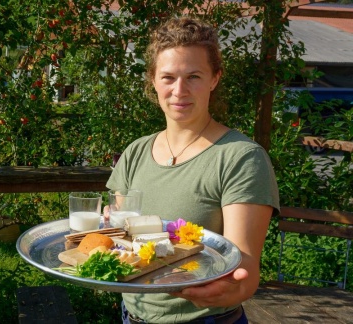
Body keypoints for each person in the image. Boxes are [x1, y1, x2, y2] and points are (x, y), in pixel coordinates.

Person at [105, 16, 280, 323]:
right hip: (131, 317)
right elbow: (121, 237)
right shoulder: (135, 153)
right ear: (153, 81)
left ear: (215, 79)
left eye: (194, 76)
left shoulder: (240, 158)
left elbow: (246, 270)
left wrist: (228, 290)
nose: (179, 90)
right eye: (168, 77)